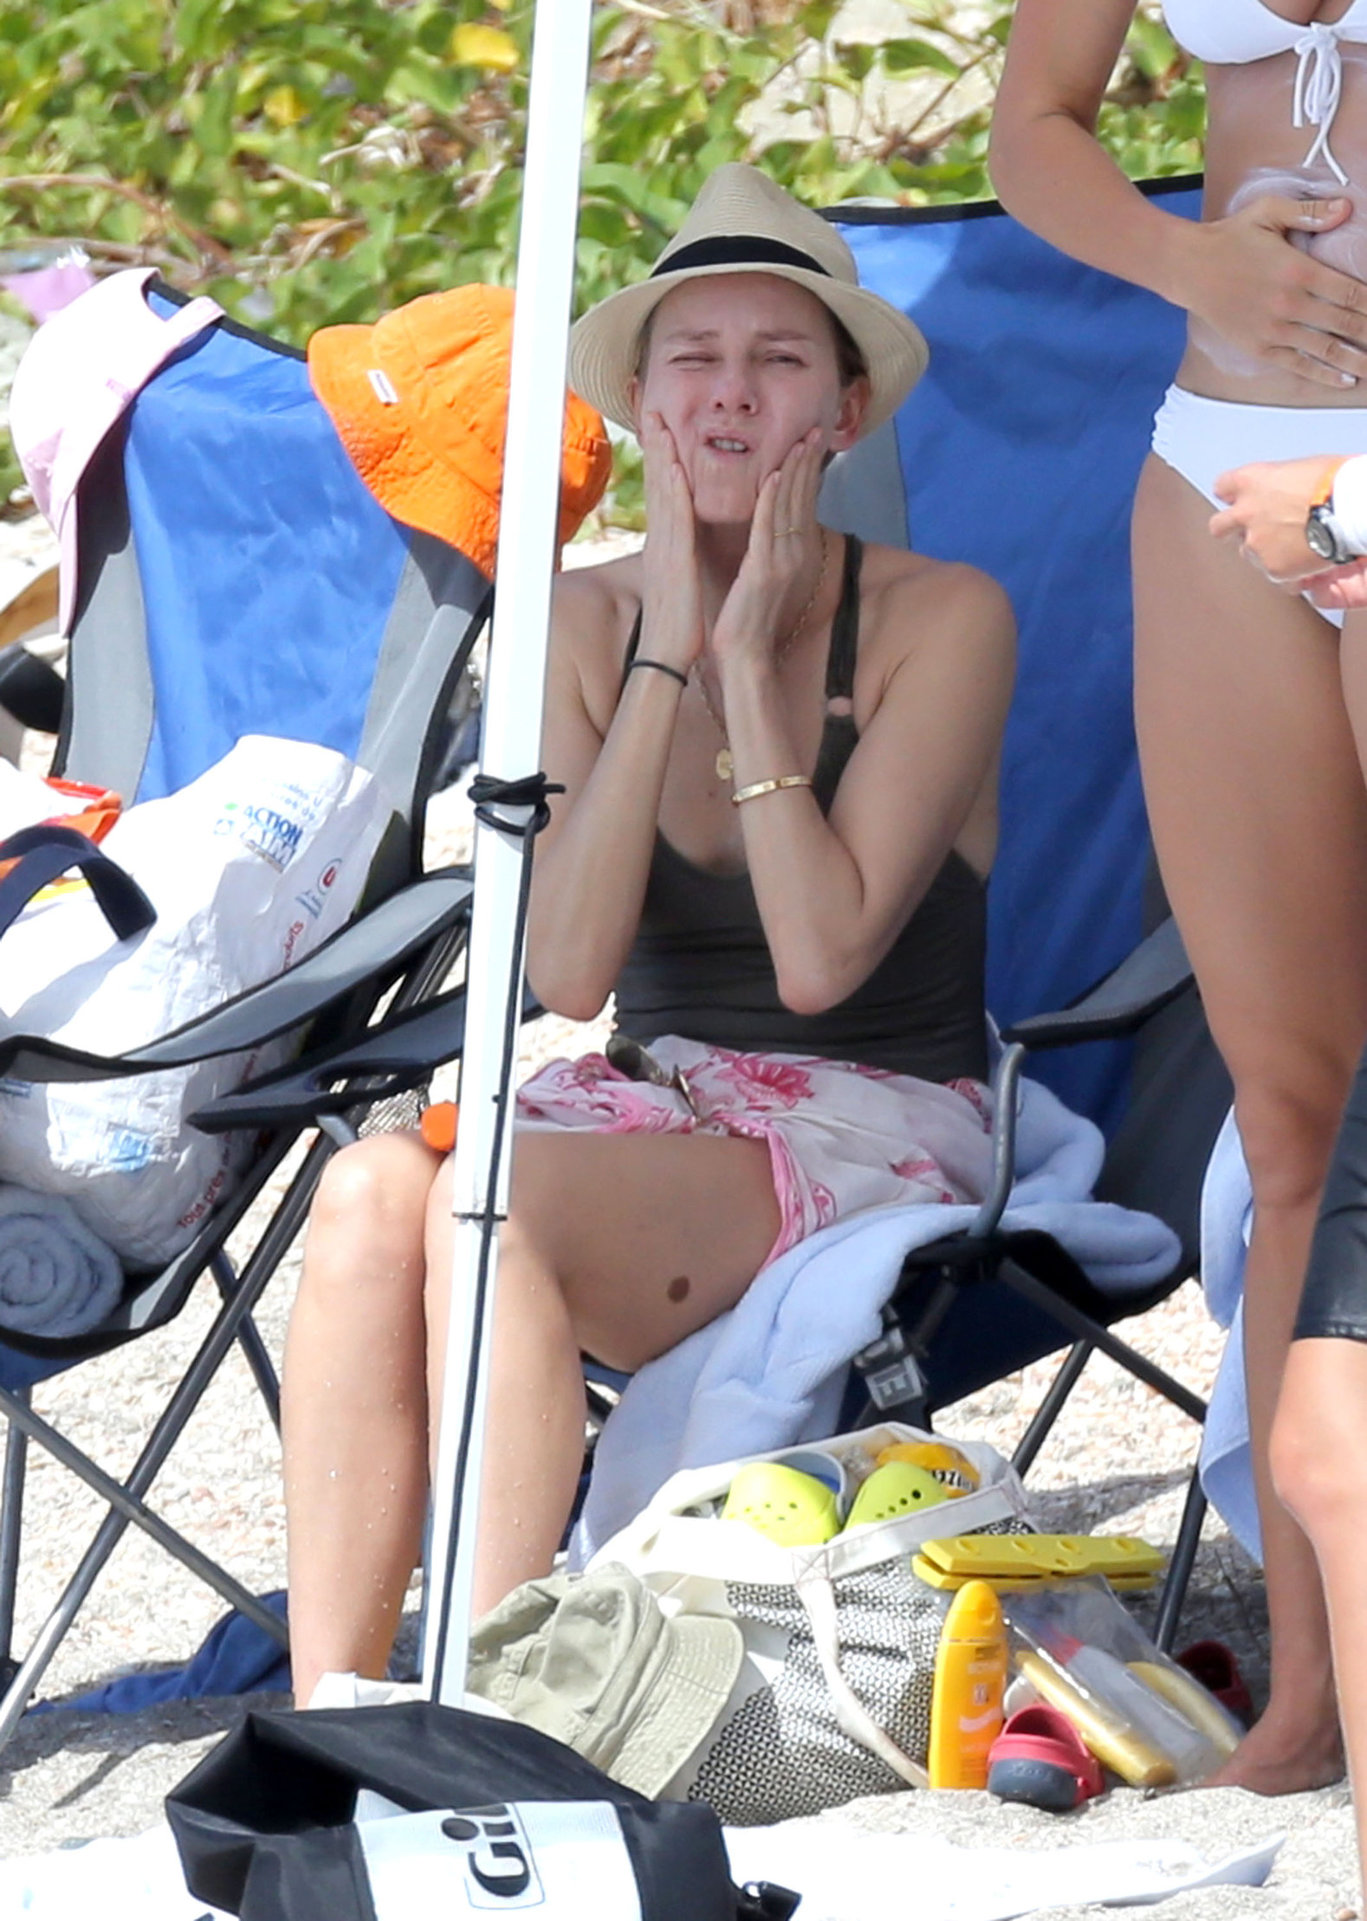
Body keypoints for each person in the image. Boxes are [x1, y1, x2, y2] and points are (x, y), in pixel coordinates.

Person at [279, 163, 1015, 1707]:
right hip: (653, 1107)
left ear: (846, 410)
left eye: (777, 361)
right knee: (361, 1200)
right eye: (695, 359)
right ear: (644, 402)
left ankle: (493, 1709)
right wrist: (672, 642)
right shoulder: (586, 620)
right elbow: (566, 974)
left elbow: (821, 962)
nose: (732, 397)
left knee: (491, 1201)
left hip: (873, 1115)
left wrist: (753, 666)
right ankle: (342, 1711)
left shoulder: (947, 618)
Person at [989, 2, 1367, 1797]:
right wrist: (1194, 262)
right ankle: (1309, 1697)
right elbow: (1035, 125)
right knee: (1287, 1118)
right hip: (1214, 441)